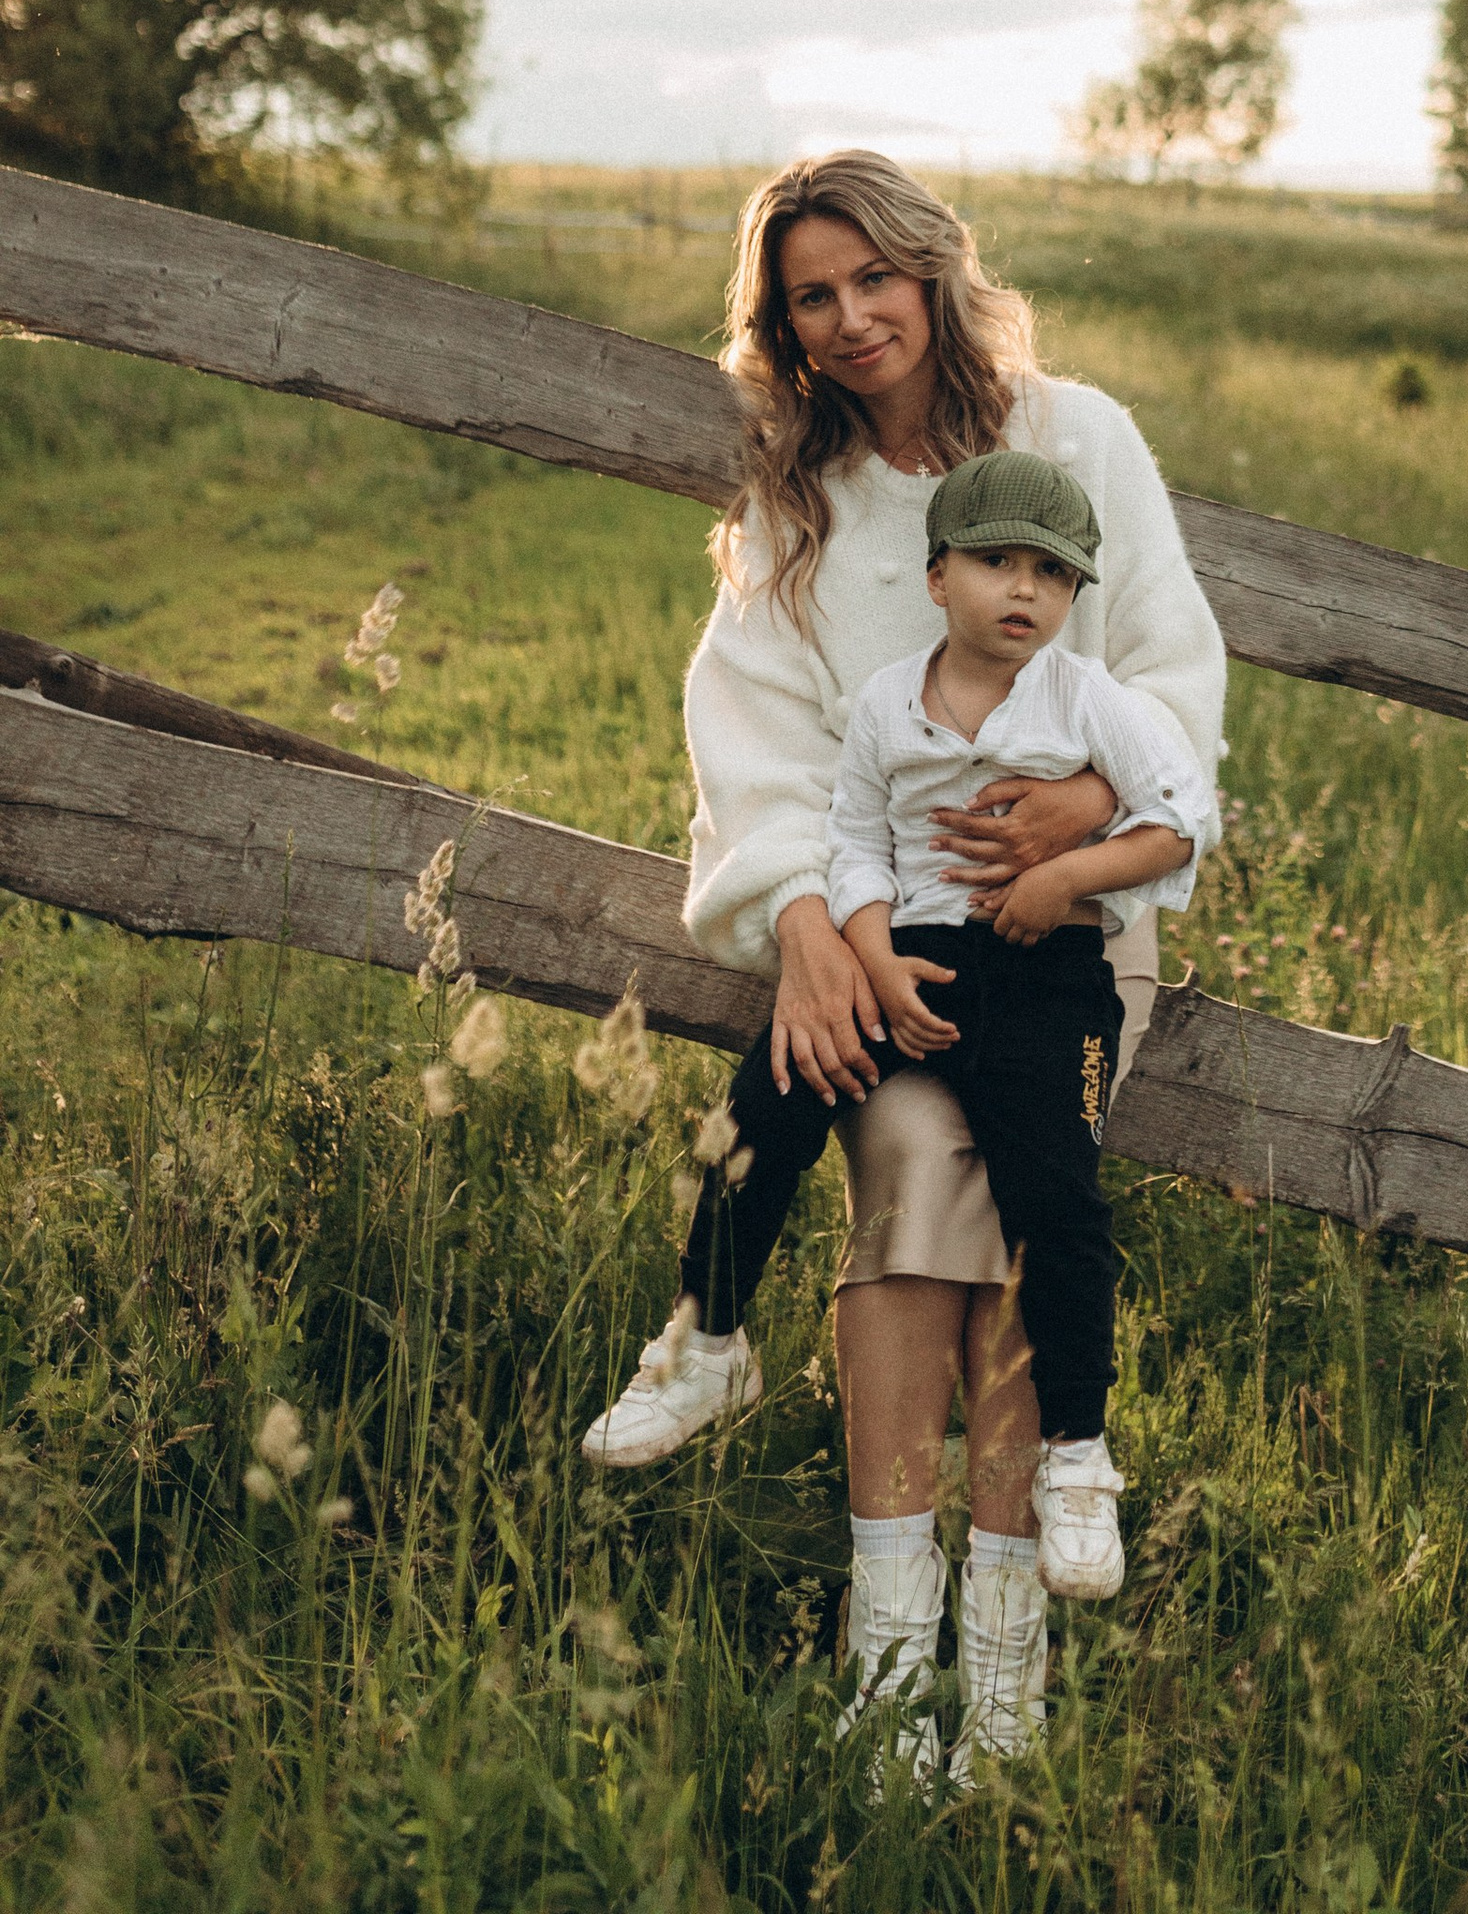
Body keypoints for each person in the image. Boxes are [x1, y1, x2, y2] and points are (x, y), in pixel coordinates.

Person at [579, 149, 1226, 1771]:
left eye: (876, 275)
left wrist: (1085, 812)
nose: (855, 316)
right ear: (783, 329)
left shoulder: (1077, 442)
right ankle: (915, 1676)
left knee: (980, 1181)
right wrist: (807, 923)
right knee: (931, 1171)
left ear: (933, 268)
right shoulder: (794, 511)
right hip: (873, 946)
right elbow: (755, 745)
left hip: (1070, 933)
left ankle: (977, 1680)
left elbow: (1170, 659)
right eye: (814, 295)